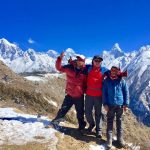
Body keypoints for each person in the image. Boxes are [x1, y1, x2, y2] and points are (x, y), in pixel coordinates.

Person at [51, 52, 87, 132]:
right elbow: (59, 68)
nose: (79, 61)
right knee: (63, 109)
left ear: (84, 61)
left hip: (79, 95)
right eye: (78, 59)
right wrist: (60, 58)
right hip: (70, 94)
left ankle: (81, 127)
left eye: (80, 60)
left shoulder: (85, 70)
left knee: (80, 112)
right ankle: (55, 122)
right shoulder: (69, 67)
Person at [102, 66, 129, 149]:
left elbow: (126, 92)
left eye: (116, 71)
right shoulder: (106, 81)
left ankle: (120, 139)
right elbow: (104, 93)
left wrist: (126, 104)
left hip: (120, 105)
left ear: (118, 72)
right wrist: (105, 104)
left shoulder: (122, 81)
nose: (114, 72)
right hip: (110, 105)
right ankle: (109, 140)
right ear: (110, 71)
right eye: (112, 70)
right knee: (110, 122)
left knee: (119, 122)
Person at [85, 55, 107, 138]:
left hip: (98, 96)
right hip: (89, 94)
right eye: (96, 60)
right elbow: (80, 65)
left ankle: (99, 130)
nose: (97, 62)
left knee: (98, 114)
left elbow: (113, 73)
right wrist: (72, 62)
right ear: (93, 61)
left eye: (99, 61)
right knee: (87, 112)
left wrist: (120, 74)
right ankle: (91, 124)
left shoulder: (104, 70)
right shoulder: (88, 68)